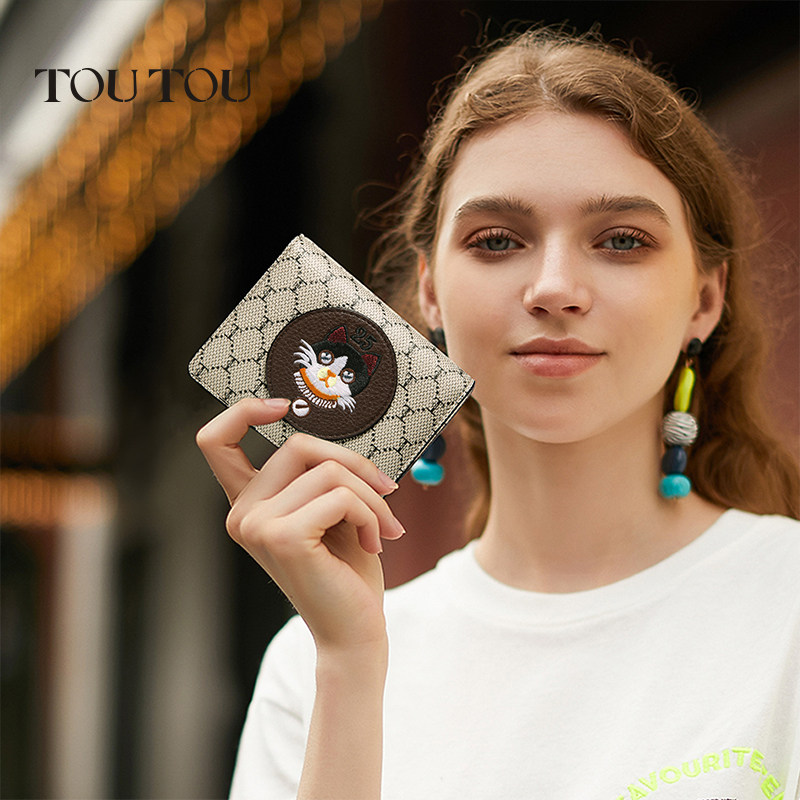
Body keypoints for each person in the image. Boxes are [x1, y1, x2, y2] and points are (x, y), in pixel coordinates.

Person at [196, 27, 800, 800]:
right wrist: (349, 666)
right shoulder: (311, 665)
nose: (554, 288)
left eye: (621, 239)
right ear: (431, 294)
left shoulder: (784, 607)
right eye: (497, 240)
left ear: (705, 300)